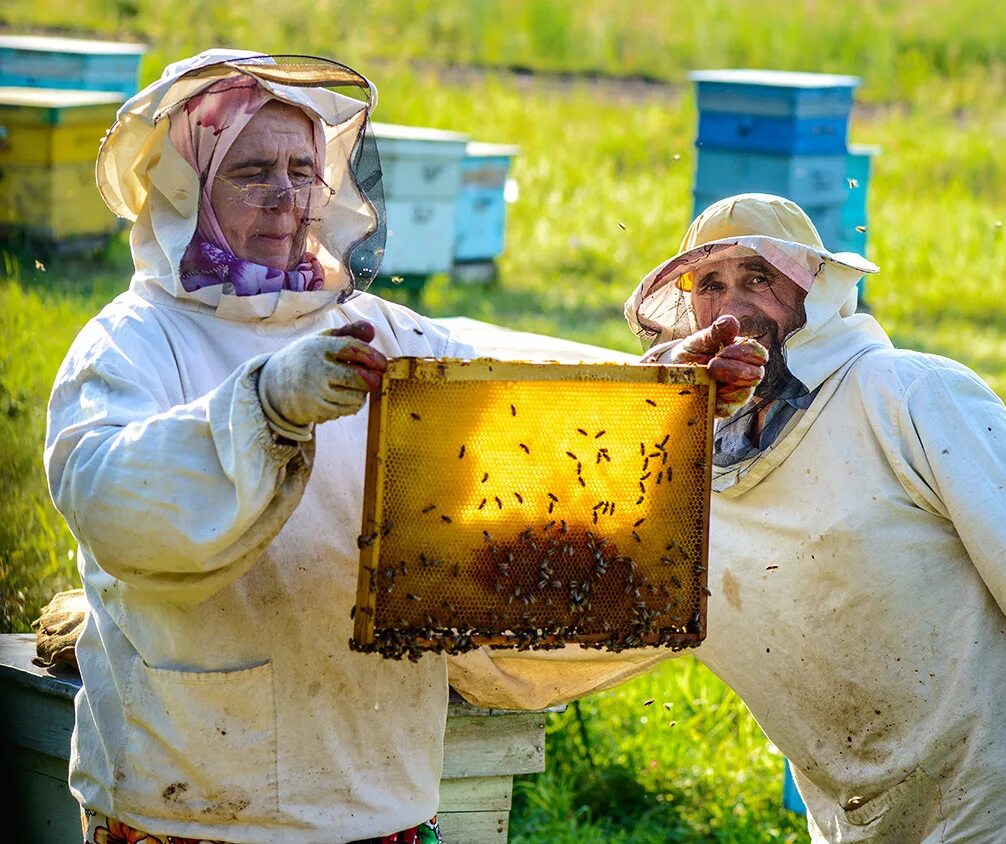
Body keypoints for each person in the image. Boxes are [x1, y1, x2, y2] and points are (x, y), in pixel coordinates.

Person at [44, 49, 765, 843]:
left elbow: (525, 398)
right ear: (185, 189)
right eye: (251, 172)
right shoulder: (132, 342)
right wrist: (266, 403)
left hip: (380, 790)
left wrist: (654, 390)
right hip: (188, 797)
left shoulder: (379, 331)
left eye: (301, 170)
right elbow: (110, 499)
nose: (288, 199)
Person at [448, 193, 1006, 843]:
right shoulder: (687, 462)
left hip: (992, 779)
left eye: (760, 278)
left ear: (813, 292)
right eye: (711, 284)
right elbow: (593, 577)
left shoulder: (905, 393)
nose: (734, 302)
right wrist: (460, 661)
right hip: (850, 802)